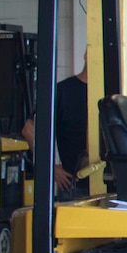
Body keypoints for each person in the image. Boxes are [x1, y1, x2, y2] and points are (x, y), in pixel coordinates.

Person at [22, 66, 89, 196]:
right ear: (88, 55)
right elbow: (28, 129)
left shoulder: (111, 91)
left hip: (109, 184)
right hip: (74, 186)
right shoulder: (63, 91)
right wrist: (49, 166)